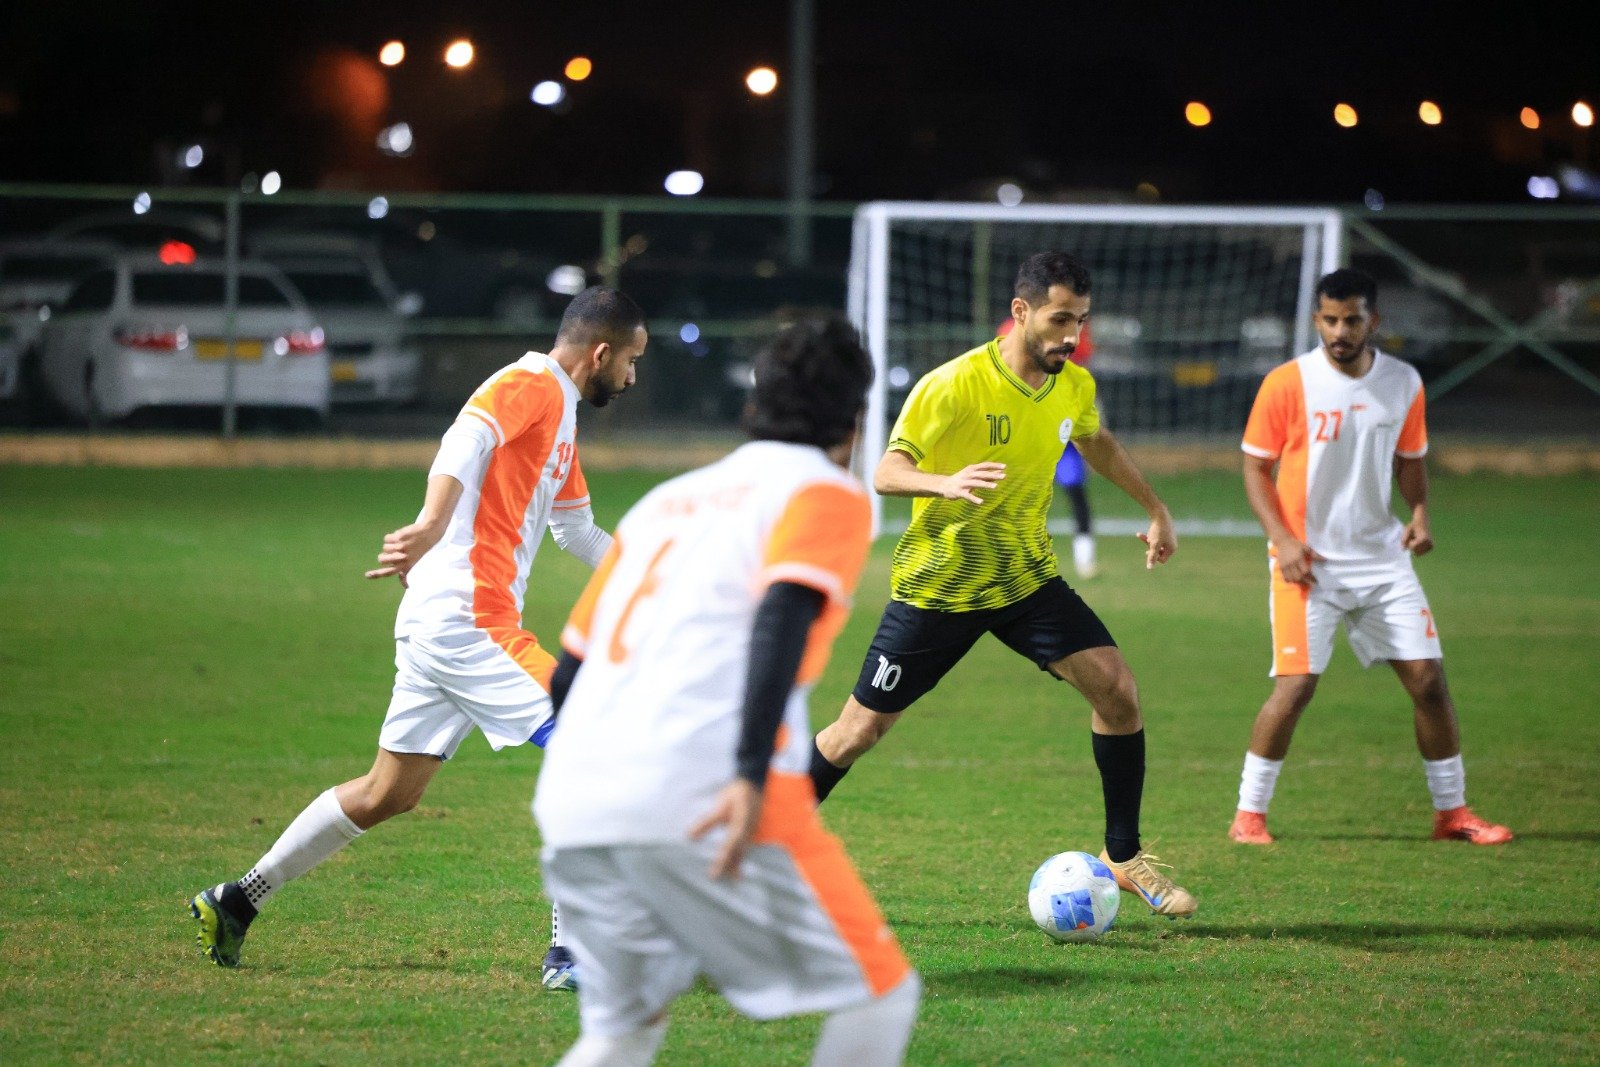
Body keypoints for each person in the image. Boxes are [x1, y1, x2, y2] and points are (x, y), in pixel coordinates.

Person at [187, 286, 648, 968]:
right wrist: (431, 523)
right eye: (632, 360)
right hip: (470, 618)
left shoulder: (562, 416)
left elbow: (575, 529)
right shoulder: (531, 383)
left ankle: (236, 900)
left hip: (443, 622)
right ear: (601, 353)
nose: (633, 377)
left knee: (388, 793)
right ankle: (569, 954)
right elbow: (467, 435)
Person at [534, 316, 921, 1067]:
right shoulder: (826, 494)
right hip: (704, 795)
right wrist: (748, 774)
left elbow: (572, 668)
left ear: (755, 403)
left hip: (575, 800)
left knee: (621, 1031)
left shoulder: (665, 502)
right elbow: (780, 619)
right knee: (880, 995)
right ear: (853, 421)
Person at [810, 251, 1196, 918]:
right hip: (940, 587)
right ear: (1021, 311)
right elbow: (887, 471)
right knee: (855, 732)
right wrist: (944, 482)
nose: (1071, 335)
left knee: (1118, 691)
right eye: (1059, 319)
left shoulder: (1073, 386)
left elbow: (1096, 442)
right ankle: (763, 837)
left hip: (1024, 580)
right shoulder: (953, 384)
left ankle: (1123, 856)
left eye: (1080, 321)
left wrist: (1155, 507)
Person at [1228, 268, 1512, 847]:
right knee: (1295, 688)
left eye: (1352, 320)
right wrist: (1283, 541)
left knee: (1428, 682)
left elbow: (1411, 458)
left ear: (1373, 321)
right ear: (1317, 320)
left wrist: (1420, 513)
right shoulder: (1287, 383)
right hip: (1306, 563)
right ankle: (1248, 816)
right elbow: (1256, 468)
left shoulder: (1403, 382)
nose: (1340, 331)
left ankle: (1452, 814)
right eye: (1330, 320)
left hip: (1382, 561)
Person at [999, 316, 1100, 579]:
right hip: (1025, 435)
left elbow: (1082, 368)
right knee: (1013, 497)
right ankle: (1008, 561)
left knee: (1075, 490)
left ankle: (1085, 558)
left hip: (1061, 432)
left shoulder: (1072, 331)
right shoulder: (1009, 330)